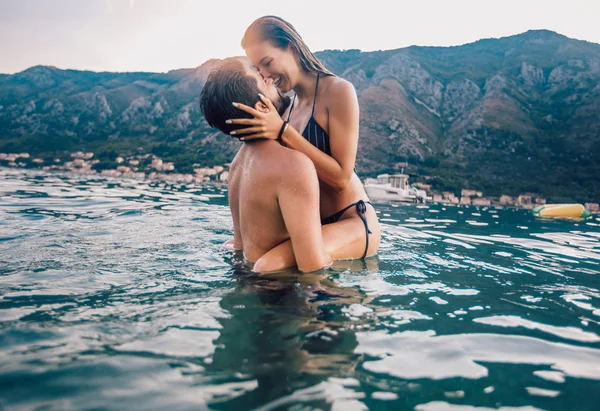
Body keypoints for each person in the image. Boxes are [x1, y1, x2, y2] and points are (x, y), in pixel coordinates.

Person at [227, 16, 380, 272]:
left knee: (267, 266)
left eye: (267, 63)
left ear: (292, 48)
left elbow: (342, 177)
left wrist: (284, 131)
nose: (265, 75)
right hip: (315, 227)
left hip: (353, 222)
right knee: (250, 260)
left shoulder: (338, 91)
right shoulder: (286, 109)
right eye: (258, 69)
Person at [200, 57, 332, 273]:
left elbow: (239, 247)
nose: (270, 79)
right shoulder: (293, 165)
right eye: (262, 80)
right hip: (283, 296)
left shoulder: (237, 166)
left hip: (246, 280)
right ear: (262, 107)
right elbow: (313, 268)